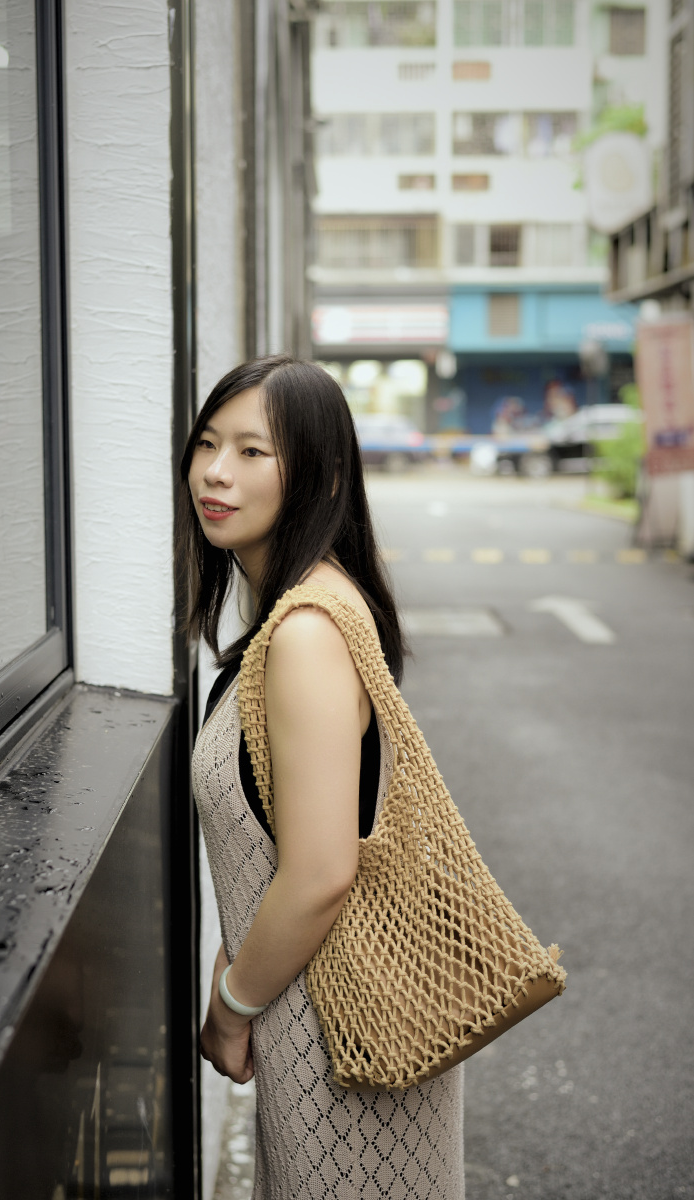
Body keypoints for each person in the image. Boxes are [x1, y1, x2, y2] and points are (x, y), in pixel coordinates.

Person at [177, 356, 464, 1199]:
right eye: (206, 443)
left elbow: (319, 872)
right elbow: (275, 829)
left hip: (342, 1031)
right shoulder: (303, 605)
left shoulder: (305, 631)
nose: (215, 472)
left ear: (324, 475)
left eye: (251, 451)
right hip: (320, 1014)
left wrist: (229, 1008)